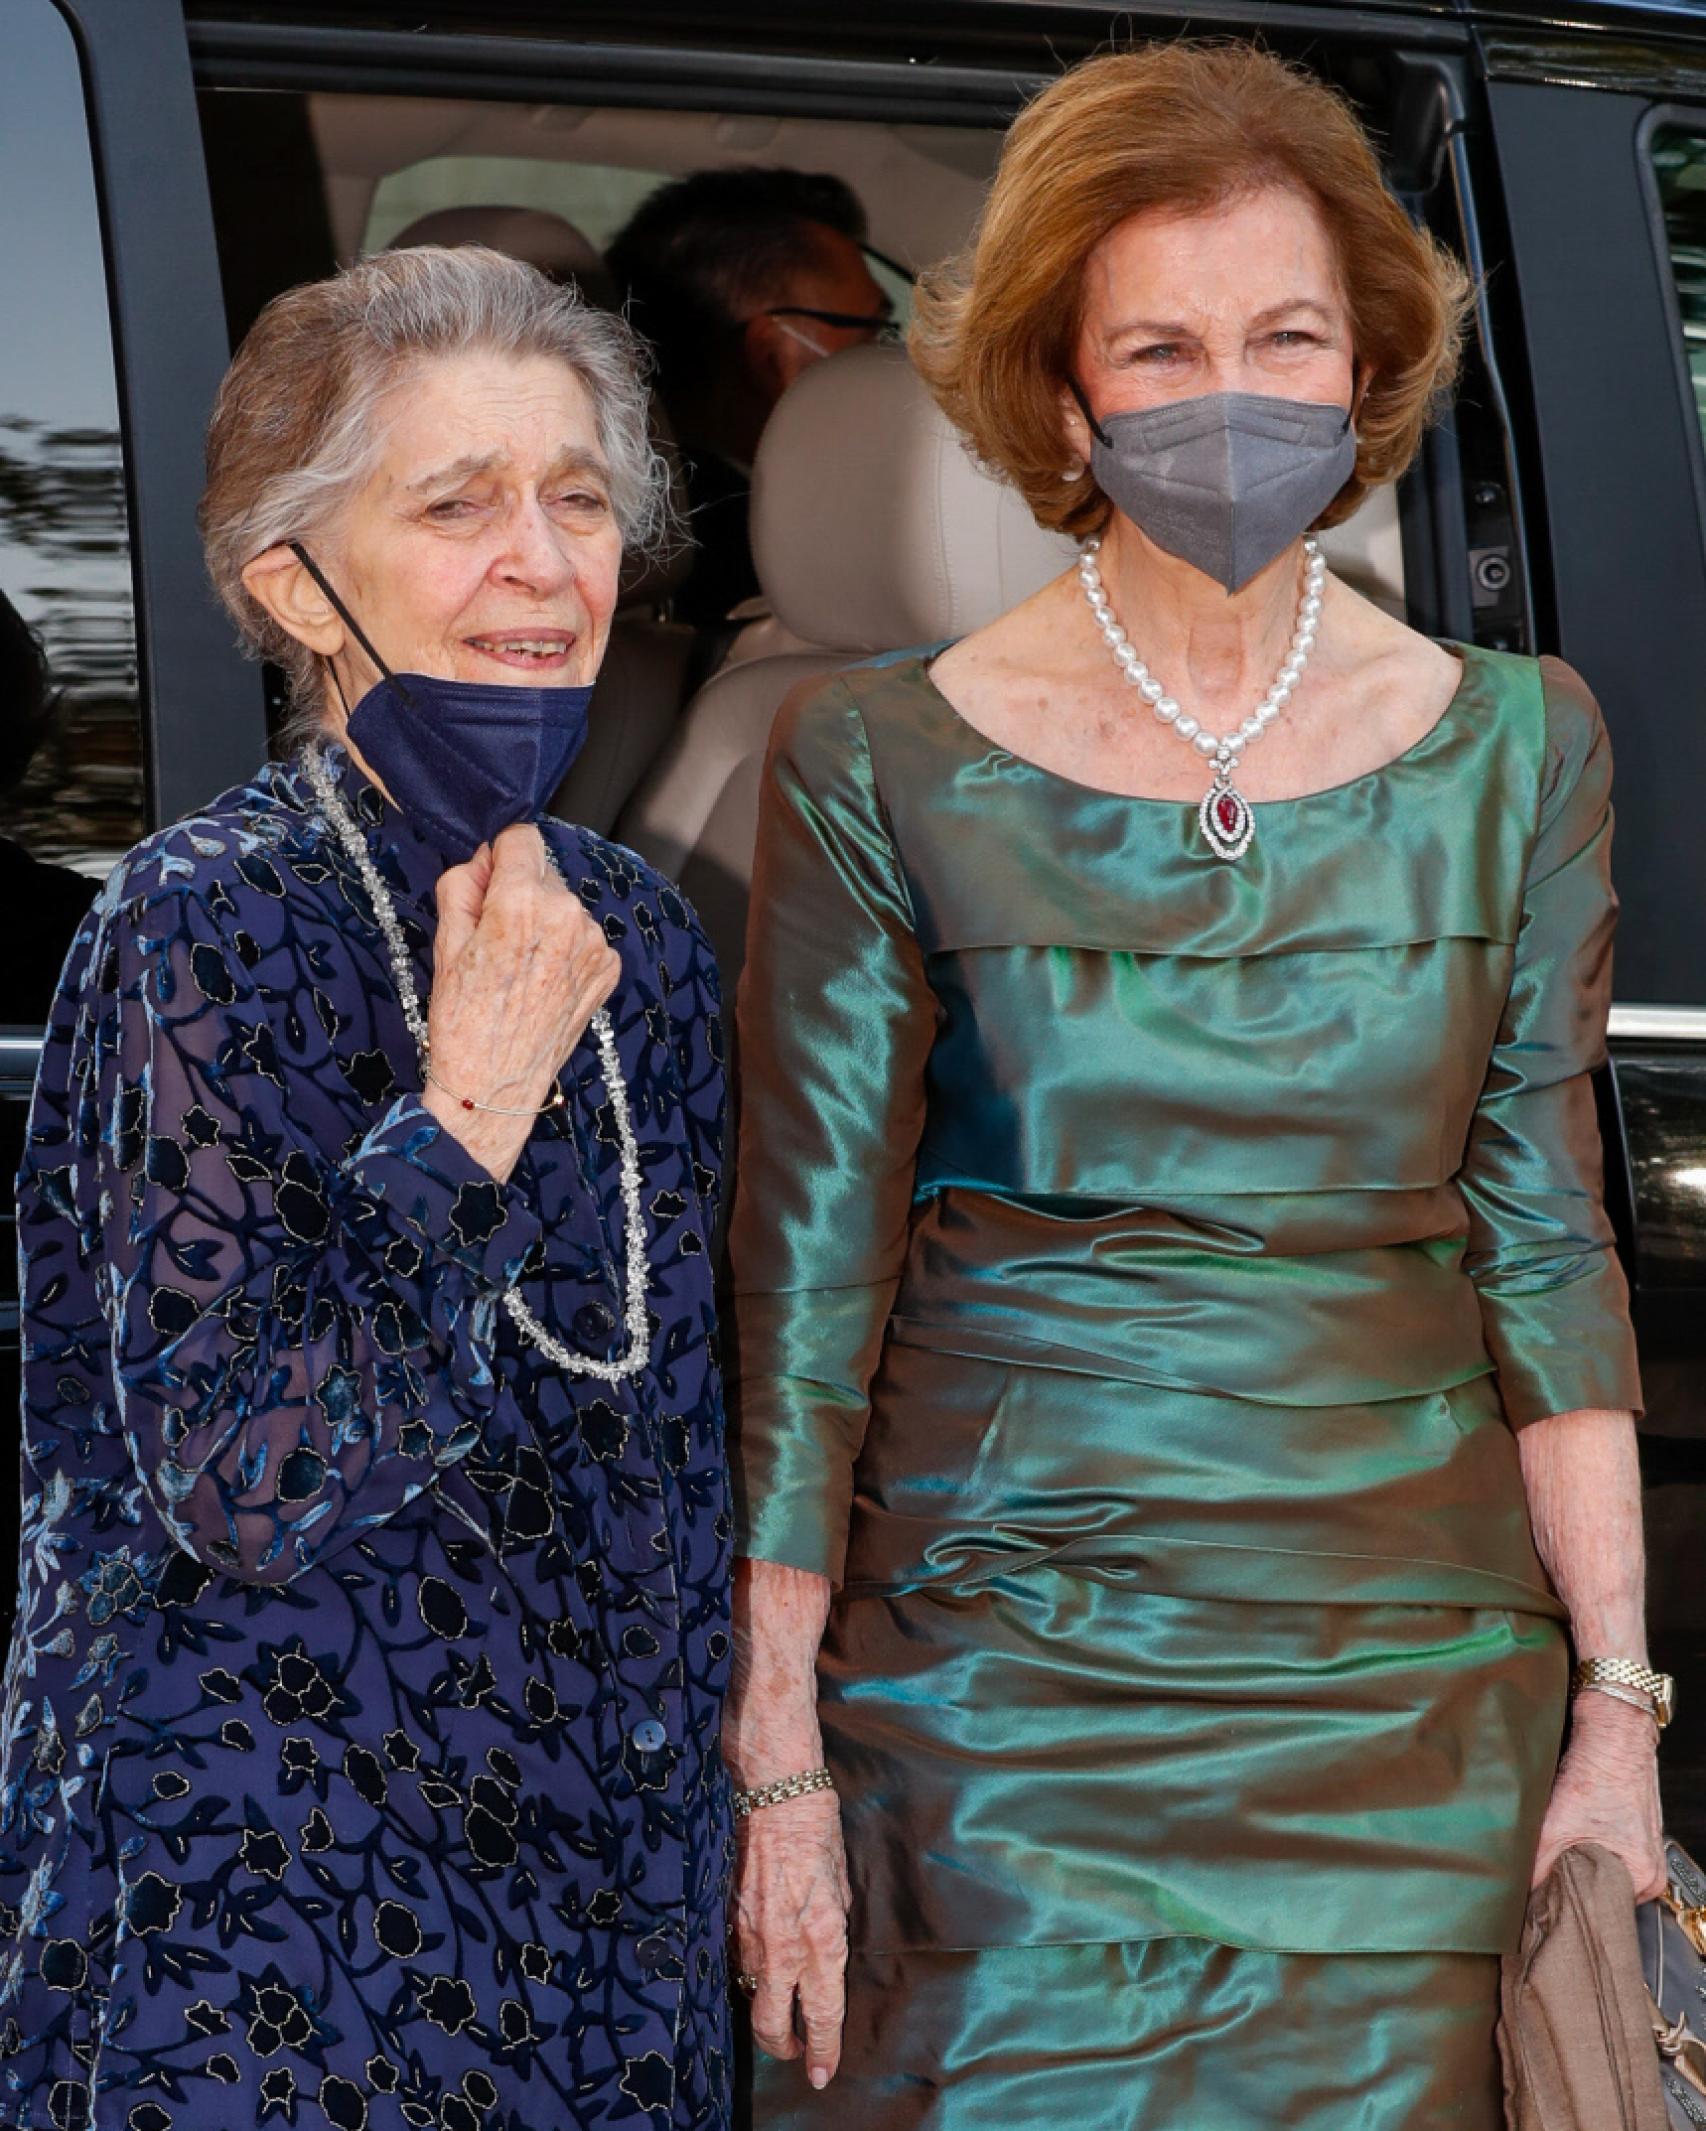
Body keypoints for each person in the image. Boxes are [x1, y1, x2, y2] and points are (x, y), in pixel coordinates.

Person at [724, 43, 1667, 2131]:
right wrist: (776, 1743)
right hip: (994, 1721)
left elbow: (1543, 1236)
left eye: (1284, 335)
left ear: (1366, 368)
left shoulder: (1520, 748)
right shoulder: (880, 757)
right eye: (1157, 343)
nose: (1228, 391)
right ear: (1062, 396)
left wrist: (1616, 1707)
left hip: (1415, 1724)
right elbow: (804, 1284)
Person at [0, 246, 732, 2130]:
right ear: (290, 583)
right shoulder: (200, 918)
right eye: (456, 501)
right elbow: (246, 1476)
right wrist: (468, 1103)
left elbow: (669, 1445)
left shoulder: (631, 926)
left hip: (599, 1923)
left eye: (577, 497)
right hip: (268, 1928)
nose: (543, 561)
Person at [607, 168, 892, 625]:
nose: (889, 364)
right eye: (873, 332)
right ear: (773, 356)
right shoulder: (784, 565)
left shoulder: (629, 523)